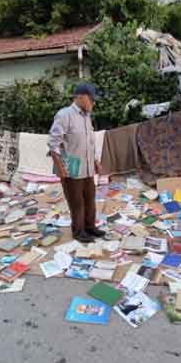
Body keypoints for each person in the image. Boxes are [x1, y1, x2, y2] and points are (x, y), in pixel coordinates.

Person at [47, 83, 106, 243]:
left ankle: (90, 227)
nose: (93, 103)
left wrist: (95, 160)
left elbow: (90, 141)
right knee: (77, 202)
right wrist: (60, 168)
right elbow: (53, 143)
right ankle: (78, 231)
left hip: (87, 166)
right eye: (91, 99)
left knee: (90, 199)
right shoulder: (64, 115)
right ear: (80, 97)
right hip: (70, 165)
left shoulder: (87, 116)